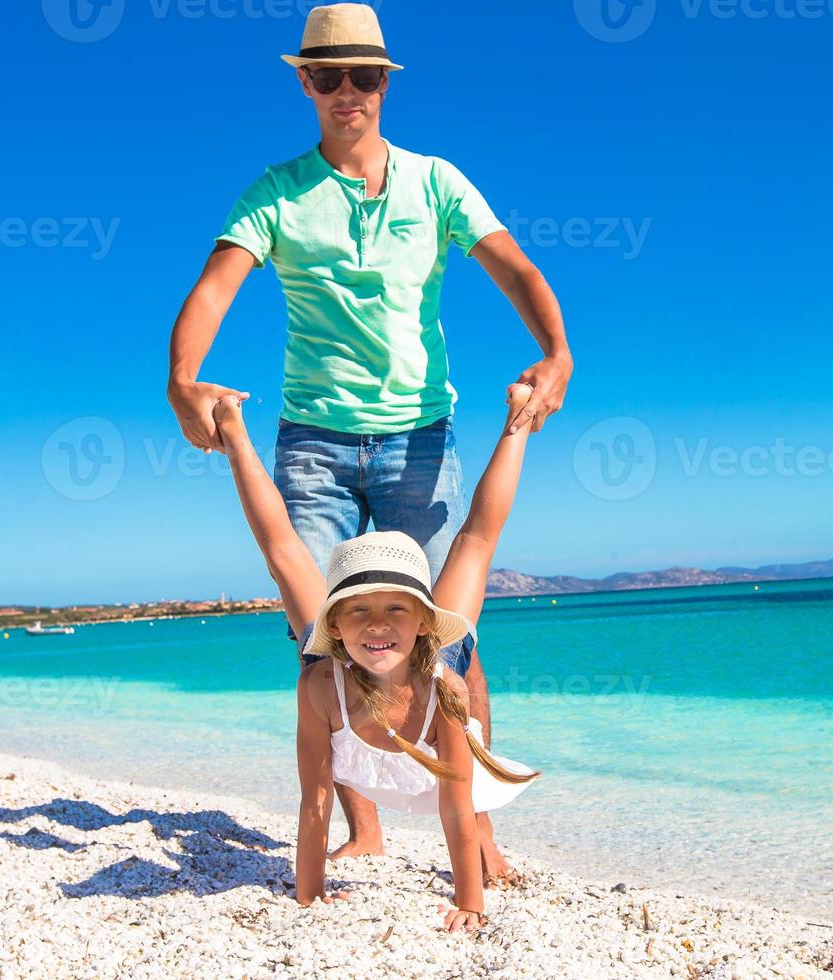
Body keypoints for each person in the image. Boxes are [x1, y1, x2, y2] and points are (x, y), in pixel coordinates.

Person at [165, 2, 572, 860]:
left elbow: (515, 267)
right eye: (325, 75)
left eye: (361, 75)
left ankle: (478, 825)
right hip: (311, 444)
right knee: (322, 641)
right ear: (305, 84)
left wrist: (555, 352)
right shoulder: (275, 192)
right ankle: (366, 829)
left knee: (447, 637)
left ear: (384, 83)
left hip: (418, 438)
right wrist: (181, 380)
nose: (345, 90)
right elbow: (212, 290)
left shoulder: (437, 183)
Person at [209, 384, 540, 932]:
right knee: (284, 557)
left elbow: (455, 809)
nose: (378, 624)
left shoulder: (445, 691)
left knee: (474, 545)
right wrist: (309, 896)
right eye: (358, 611)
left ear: (422, 619)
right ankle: (236, 436)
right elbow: (313, 803)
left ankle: (517, 425)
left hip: (435, 666)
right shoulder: (320, 687)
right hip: (348, 673)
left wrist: (469, 905)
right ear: (334, 623)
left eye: (395, 609)